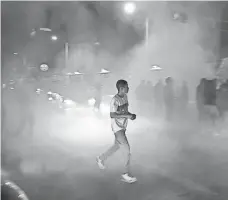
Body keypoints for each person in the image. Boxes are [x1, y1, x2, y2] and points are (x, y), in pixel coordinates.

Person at [96, 79, 137, 183]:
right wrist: (126, 115)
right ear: (122, 88)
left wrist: (130, 115)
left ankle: (101, 158)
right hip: (117, 128)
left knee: (116, 146)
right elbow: (112, 114)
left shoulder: (125, 97)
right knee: (127, 150)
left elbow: (125, 111)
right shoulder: (114, 100)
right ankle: (125, 173)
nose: (128, 88)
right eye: (127, 87)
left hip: (122, 127)